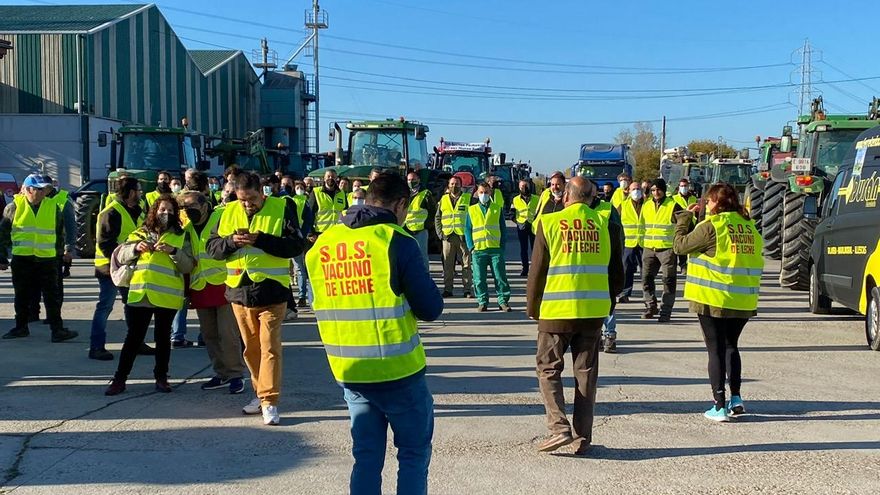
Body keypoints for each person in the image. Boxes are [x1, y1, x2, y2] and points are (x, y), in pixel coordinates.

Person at [306, 173, 442, 495]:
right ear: (401, 204)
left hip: (350, 370)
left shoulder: (323, 243)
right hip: (398, 371)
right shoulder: (396, 241)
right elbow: (430, 308)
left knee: (366, 458)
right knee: (413, 455)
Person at [527, 177, 624, 455]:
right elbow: (616, 271)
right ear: (591, 198)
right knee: (586, 374)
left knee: (548, 368)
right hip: (593, 312)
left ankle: (559, 428)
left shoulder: (550, 222)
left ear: (566, 196)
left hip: (556, 311)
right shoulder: (603, 224)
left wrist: (533, 308)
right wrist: (609, 302)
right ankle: (583, 436)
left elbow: (537, 272)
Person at [206, 172, 305, 425]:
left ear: (262, 193)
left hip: (272, 291)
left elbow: (296, 246)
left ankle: (269, 401)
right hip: (240, 292)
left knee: (269, 347)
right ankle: (260, 395)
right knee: (251, 350)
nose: (247, 204)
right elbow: (212, 249)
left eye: (251, 199)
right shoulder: (227, 211)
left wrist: (261, 240)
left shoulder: (282, 208)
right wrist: (231, 242)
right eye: (242, 199)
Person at [673, 183, 763, 421]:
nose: (707, 204)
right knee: (732, 346)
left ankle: (719, 405)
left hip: (713, 298)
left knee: (715, 350)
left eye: (709, 200)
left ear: (716, 203)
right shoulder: (749, 226)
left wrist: (684, 218)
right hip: (743, 299)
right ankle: (736, 398)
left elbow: (680, 246)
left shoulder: (712, 226)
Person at [104, 195, 195, 395]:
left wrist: (173, 251)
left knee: (163, 339)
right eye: (162, 210)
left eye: (170, 211)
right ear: (154, 211)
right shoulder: (139, 233)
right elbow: (120, 255)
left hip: (166, 295)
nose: (166, 214)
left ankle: (161, 377)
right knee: (133, 338)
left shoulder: (182, 236)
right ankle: (119, 379)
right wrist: (135, 248)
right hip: (141, 293)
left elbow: (188, 265)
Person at [179, 191, 246, 395]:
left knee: (228, 334)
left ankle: (235, 374)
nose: (188, 212)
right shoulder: (188, 229)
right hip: (201, 286)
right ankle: (221, 373)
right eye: (185, 208)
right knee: (209, 335)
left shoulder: (221, 218)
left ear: (205, 206)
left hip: (224, 284)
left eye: (192, 207)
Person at [0, 174, 78, 342]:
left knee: (52, 297)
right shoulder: (14, 207)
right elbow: (3, 234)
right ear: (29, 190)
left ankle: (57, 330)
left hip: (47, 260)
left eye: (46, 190)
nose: (44, 193)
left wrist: (62, 254)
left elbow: (59, 233)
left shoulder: (53, 207)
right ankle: (21, 327)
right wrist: (2, 257)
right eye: (40, 190)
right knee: (22, 296)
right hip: (22, 259)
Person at [88, 177, 150, 360]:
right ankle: (96, 347)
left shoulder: (138, 211)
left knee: (133, 306)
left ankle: (136, 342)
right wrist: (119, 262)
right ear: (130, 192)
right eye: (138, 190)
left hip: (130, 267)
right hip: (109, 268)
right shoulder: (111, 212)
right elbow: (105, 243)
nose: (141, 194)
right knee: (105, 306)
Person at [28, 175, 75, 321]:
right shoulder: (35, 201)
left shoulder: (62, 200)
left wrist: (68, 248)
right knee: (33, 284)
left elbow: (70, 226)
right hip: (34, 251)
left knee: (54, 286)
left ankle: (53, 315)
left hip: (55, 251)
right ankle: (33, 313)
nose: (42, 191)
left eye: (44, 188)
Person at [639, 178, 682, 322]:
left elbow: (684, 224)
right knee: (646, 278)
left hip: (666, 249)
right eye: (653, 190)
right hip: (649, 248)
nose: (655, 193)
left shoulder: (673, 205)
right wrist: (641, 242)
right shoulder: (646, 205)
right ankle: (650, 306)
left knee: (668, 280)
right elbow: (642, 225)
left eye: (658, 190)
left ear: (663, 190)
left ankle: (666, 311)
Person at [465, 182, 510, 312]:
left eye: (486, 192)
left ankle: (503, 301)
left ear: (490, 193)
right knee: (479, 279)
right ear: (477, 193)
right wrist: (471, 247)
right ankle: (482, 301)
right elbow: (467, 229)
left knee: (500, 277)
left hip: (495, 249)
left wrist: (502, 246)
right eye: (481, 192)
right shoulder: (472, 210)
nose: (483, 195)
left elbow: (503, 228)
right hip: (478, 250)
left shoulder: (497, 208)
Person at [435, 176, 475, 298]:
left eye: (457, 184)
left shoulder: (468, 199)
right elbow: (437, 217)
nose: (454, 186)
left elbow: (474, 217)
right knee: (447, 265)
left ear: (461, 186)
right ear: (448, 185)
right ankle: (448, 289)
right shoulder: (443, 199)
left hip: (463, 237)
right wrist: (440, 234)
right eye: (452, 184)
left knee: (466, 265)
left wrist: (471, 234)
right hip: (448, 237)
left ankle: (467, 290)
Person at [403, 171, 437, 270]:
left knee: (422, 256)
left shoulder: (425, 194)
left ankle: (425, 276)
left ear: (418, 180)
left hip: (420, 231)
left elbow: (433, 211)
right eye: (409, 180)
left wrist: (427, 225)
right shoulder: (404, 194)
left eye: (413, 179)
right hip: (405, 229)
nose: (411, 182)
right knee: (406, 256)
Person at [618, 181, 644, 304]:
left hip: (644, 243)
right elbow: (616, 222)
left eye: (638, 189)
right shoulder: (623, 205)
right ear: (628, 191)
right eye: (633, 189)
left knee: (646, 271)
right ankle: (625, 294)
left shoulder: (648, 204)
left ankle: (648, 295)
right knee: (626, 270)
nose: (636, 191)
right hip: (628, 243)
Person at [305, 169, 347, 241]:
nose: (330, 178)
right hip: (320, 233)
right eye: (328, 176)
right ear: (324, 178)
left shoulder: (342, 193)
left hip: (338, 232)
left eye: (333, 176)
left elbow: (345, 212)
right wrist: (310, 233)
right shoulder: (316, 192)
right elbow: (309, 213)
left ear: (336, 179)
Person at [290, 181, 313, 307]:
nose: (299, 189)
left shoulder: (304, 201)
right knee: (300, 268)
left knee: (300, 268)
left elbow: (308, 220)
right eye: (297, 187)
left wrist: (302, 234)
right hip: (296, 238)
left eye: (301, 187)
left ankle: (302, 296)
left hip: (298, 239)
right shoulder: (290, 200)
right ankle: (301, 296)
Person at [671, 178, 698, 274]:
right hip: (680, 224)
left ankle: (689, 263)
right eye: (682, 186)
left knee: (690, 245)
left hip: (691, 224)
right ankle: (683, 265)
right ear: (679, 187)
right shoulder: (674, 198)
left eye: (685, 186)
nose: (684, 188)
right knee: (681, 244)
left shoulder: (693, 198)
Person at [512, 179, 538, 277]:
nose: (524, 188)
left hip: (533, 225)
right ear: (519, 188)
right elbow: (512, 212)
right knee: (523, 249)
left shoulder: (537, 198)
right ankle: (525, 269)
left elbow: (540, 211)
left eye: (526, 186)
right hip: (522, 226)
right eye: (522, 186)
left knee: (535, 249)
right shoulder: (515, 199)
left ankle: (535, 269)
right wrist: (517, 221)